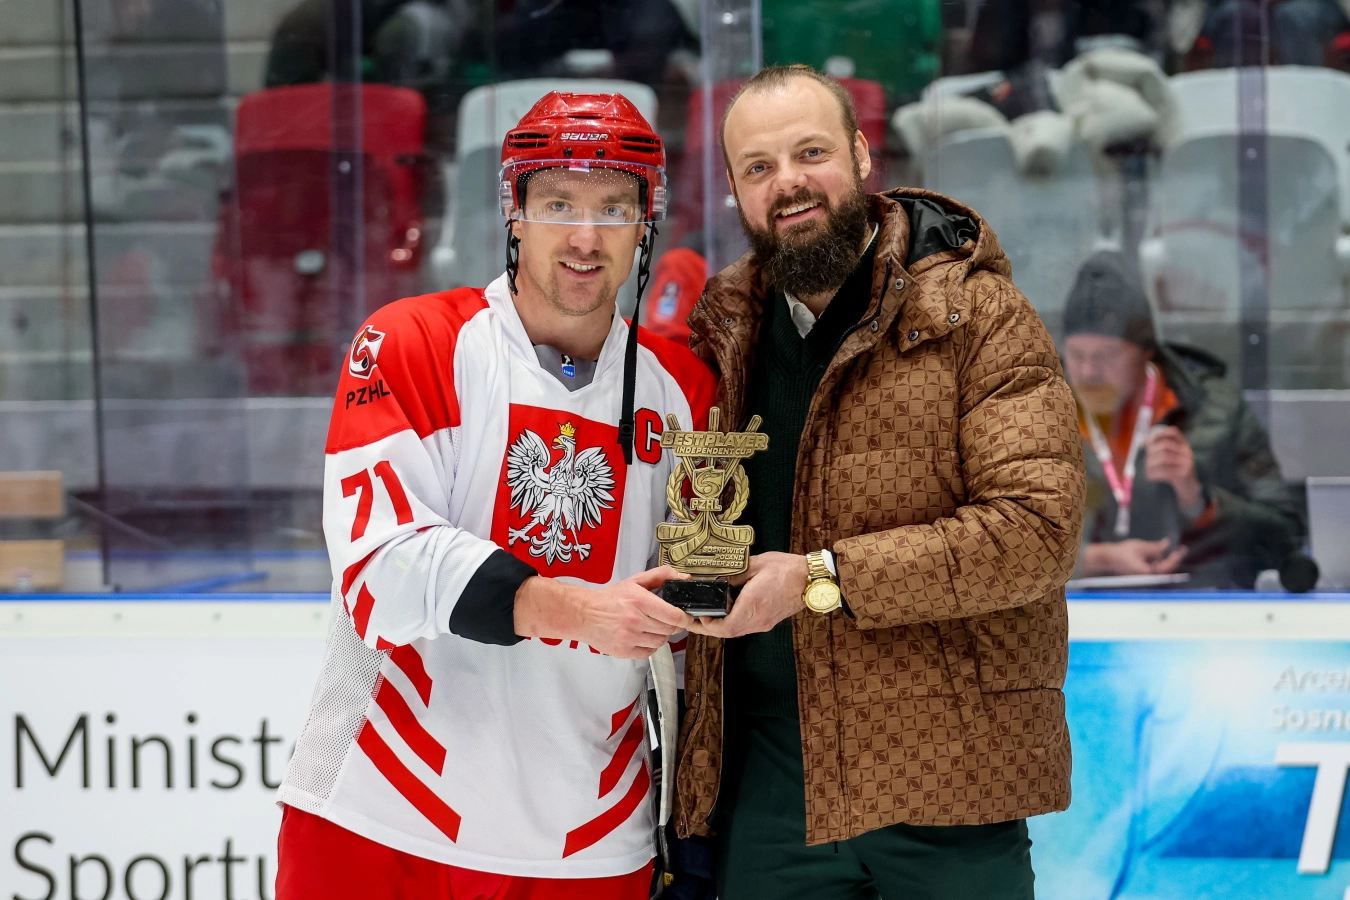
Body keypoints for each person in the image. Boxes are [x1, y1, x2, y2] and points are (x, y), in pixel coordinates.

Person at [275, 92, 717, 899]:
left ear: (645, 222)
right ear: (514, 210)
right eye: (559, 205)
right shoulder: (412, 343)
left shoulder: (683, 391)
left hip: (589, 841)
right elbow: (380, 573)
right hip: (382, 818)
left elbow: (695, 632)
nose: (585, 238)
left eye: (612, 209)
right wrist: (577, 611)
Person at [673, 65, 1086, 900]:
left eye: (811, 153)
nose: (788, 183)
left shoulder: (979, 313)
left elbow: (1036, 531)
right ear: (734, 191)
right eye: (758, 167)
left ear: (861, 155)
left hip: (951, 779)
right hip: (772, 786)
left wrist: (821, 579)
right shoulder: (724, 329)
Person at [1061, 250, 1304, 588]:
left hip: (1199, 609)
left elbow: (1287, 536)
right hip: (1068, 614)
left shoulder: (1216, 411)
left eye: (1107, 356)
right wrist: (1094, 560)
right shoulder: (1033, 414)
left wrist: (1201, 502)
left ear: (1146, 353)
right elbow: (994, 543)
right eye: (1076, 356)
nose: (1089, 373)